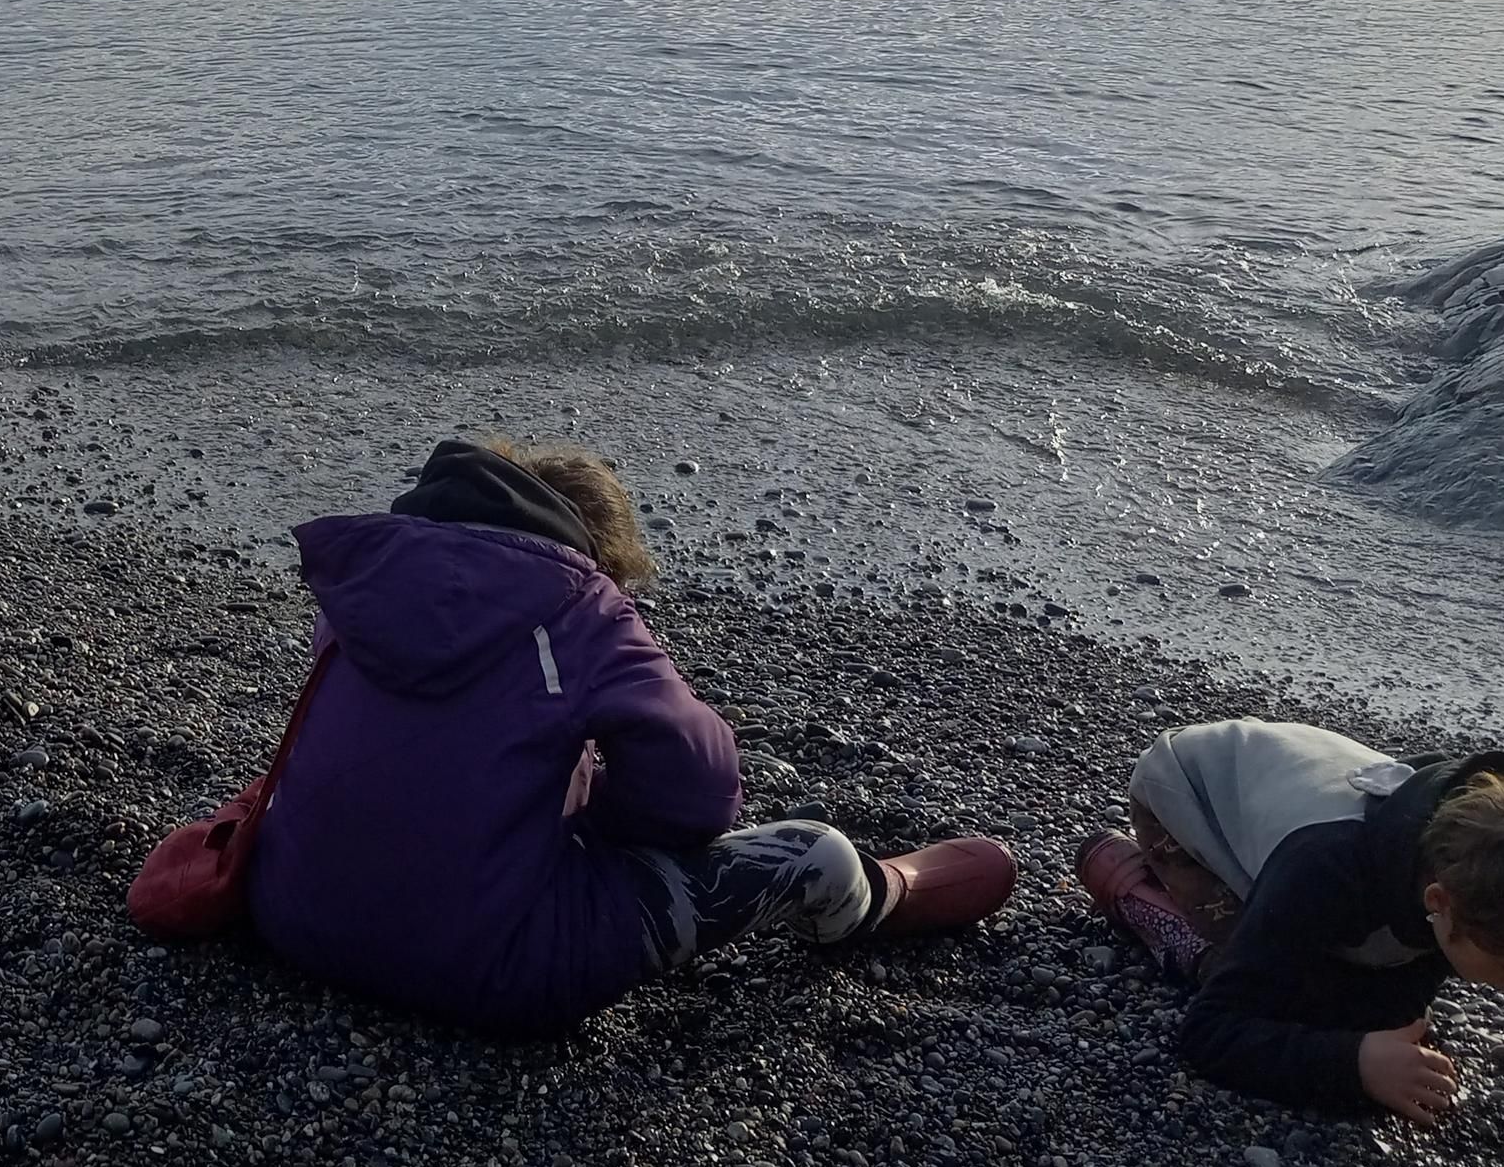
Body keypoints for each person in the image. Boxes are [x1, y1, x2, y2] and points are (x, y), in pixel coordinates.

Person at [247, 437, 1016, 1036]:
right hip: (493, 969)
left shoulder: (359, 590)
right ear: (601, 559)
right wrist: (608, 817)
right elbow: (701, 795)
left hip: (288, 918)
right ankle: (873, 900)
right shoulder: (581, 608)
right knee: (813, 850)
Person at [1077, 718, 1504, 1122]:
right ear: (1440, 904)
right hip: (1184, 794)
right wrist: (1352, 1065)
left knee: (1351, 995)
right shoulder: (1324, 872)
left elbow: (1396, 991)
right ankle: (1132, 882)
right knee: (1246, 976)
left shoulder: (1454, 865)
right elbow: (1208, 1034)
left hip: (1287, 791)